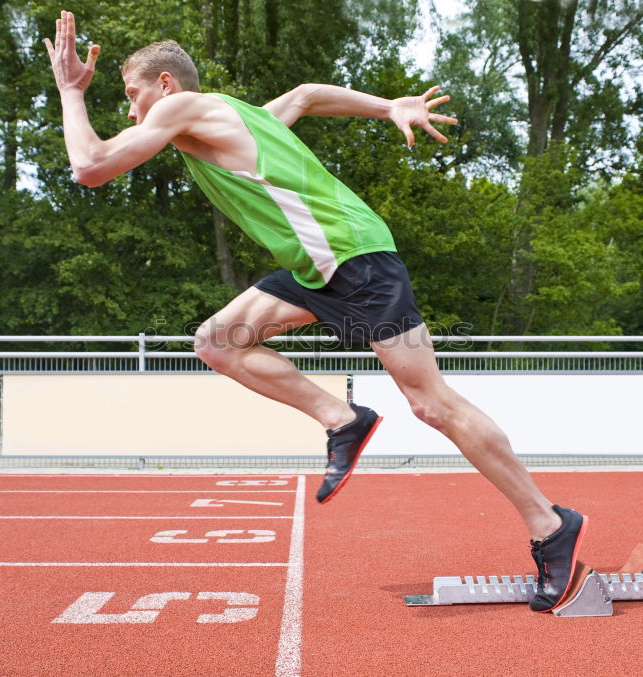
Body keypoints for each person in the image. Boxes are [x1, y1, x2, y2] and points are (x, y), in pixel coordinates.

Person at [44, 10, 587, 612]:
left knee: (431, 402)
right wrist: (387, 106)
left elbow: (90, 166)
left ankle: (549, 524)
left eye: (132, 94)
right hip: (313, 268)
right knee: (219, 342)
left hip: (351, 257)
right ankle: (344, 419)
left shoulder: (179, 109)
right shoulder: (237, 119)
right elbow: (303, 96)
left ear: (167, 86)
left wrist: (72, 93)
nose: (129, 110)